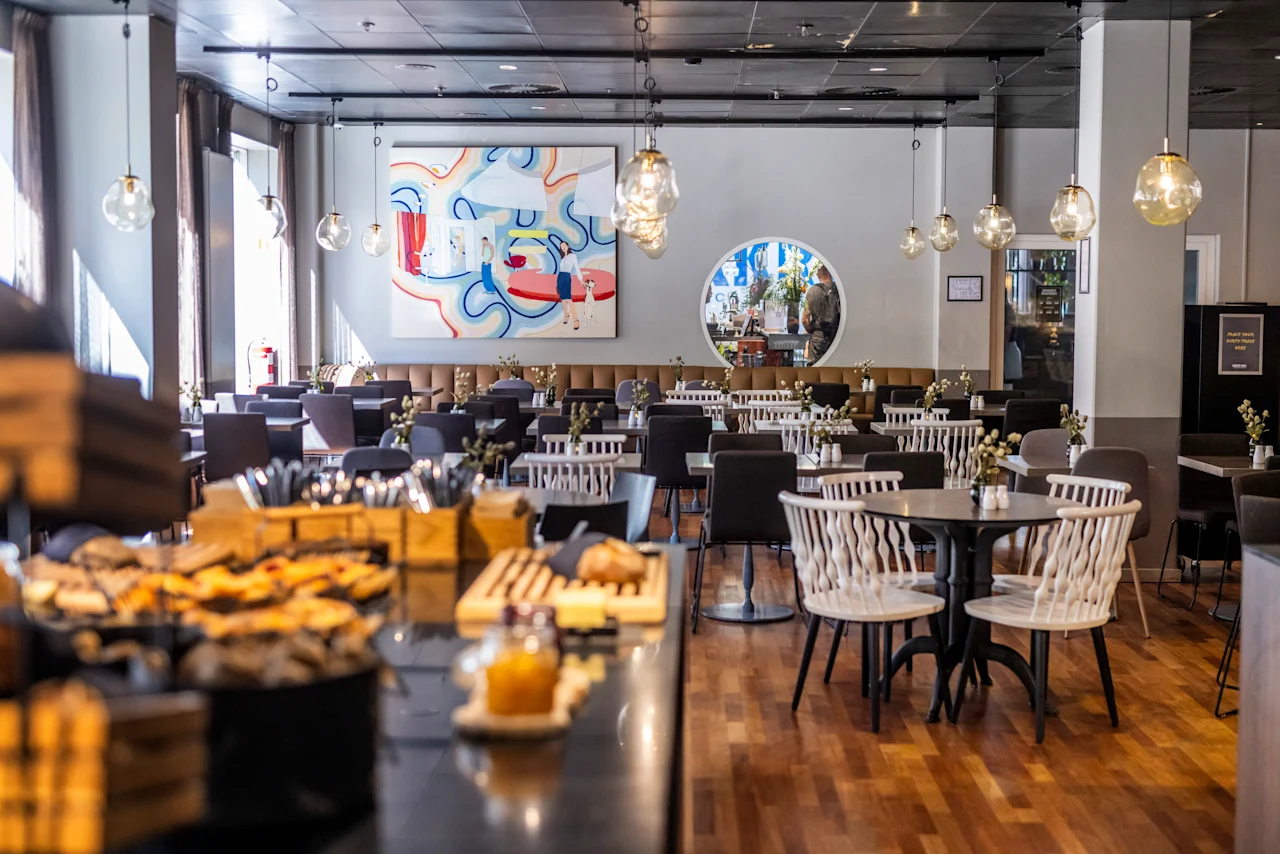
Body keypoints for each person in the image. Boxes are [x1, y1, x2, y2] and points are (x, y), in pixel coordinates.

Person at [801, 263, 840, 363]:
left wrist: (812, 330)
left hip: (818, 341)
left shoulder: (812, 291)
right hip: (838, 338)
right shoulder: (839, 291)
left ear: (818, 275)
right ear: (830, 273)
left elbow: (805, 319)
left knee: (815, 372)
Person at [556, 241, 582, 331]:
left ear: (568, 246)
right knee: (563, 299)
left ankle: (576, 320)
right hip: (560, 277)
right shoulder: (563, 258)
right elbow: (561, 269)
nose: (562, 247)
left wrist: (581, 279)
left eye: (564, 245)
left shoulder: (572, 256)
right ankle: (566, 316)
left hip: (566, 277)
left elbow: (577, 267)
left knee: (568, 299)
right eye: (561, 246)